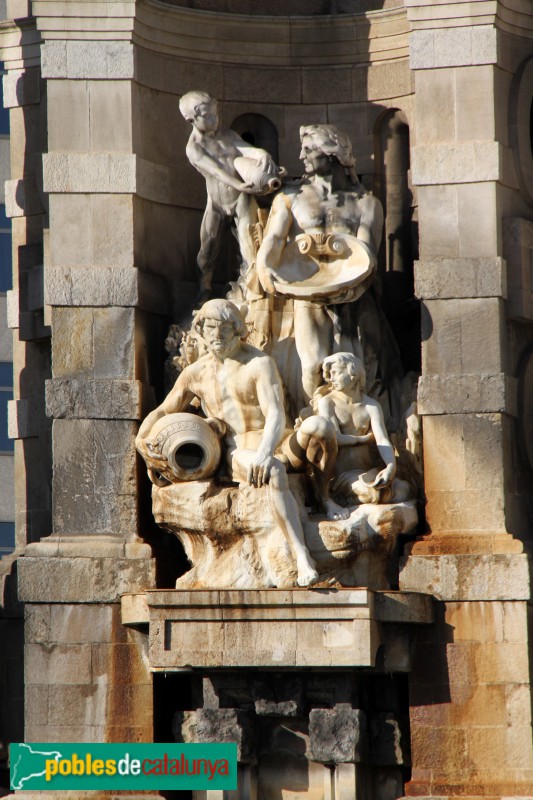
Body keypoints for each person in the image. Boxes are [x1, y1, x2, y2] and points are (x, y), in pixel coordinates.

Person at [136, 299, 319, 587]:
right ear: (201, 331)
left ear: (237, 331)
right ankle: (302, 555)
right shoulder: (195, 373)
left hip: (271, 443)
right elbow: (163, 410)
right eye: (211, 330)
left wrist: (265, 451)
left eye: (224, 331)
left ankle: (329, 500)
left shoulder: (259, 363)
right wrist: (141, 440)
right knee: (273, 472)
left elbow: (275, 413)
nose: (217, 337)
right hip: (235, 452)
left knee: (319, 430)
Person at [255, 123, 384, 406]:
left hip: (352, 296)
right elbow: (274, 240)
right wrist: (264, 270)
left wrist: (354, 287)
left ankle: (350, 426)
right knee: (312, 363)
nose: (301, 156)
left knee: (354, 367)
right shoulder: (290, 198)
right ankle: (315, 421)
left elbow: (367, 255)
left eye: (309, 149)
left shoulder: (366, 204)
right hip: (306, 292)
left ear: (332, 154)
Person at [179, 91, 281, 301]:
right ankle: (204, 291)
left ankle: (251, 294)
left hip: (242, 200)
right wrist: (239, 185)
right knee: (206, 253)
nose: (214, 119)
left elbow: (247, 150)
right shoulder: (194, 148)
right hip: (216, 204)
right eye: (208, 116)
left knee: (250, 247)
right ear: (191, 120)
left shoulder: (228, 135)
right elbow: (216, 171)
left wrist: (263, 154)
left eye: (215, 114)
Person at [284, 352, 410, 520]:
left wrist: (390, 468)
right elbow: (335, 439)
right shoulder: (328, 403)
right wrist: (363, 439)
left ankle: (357, 496)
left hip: (367, 471)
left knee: (404, 490)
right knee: (370, 494)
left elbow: (382, 440)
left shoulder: (371, 406)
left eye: (335, 372)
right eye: (328, 375)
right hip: (342, 476)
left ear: (352, 373)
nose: (330, 379)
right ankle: (334, 497)